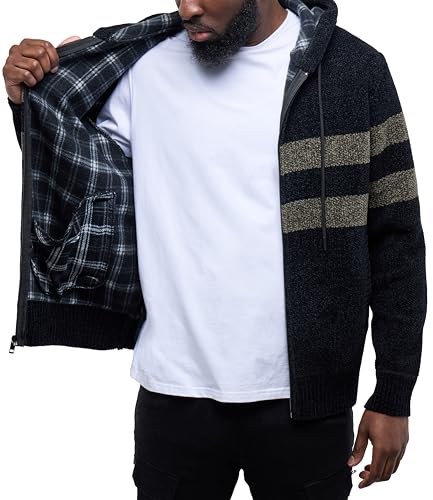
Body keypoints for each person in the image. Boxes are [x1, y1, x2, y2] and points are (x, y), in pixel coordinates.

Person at [3, 1, 427, 499]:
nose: (188, 7)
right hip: (174, 396)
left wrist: (393, 393)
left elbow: (396, 240)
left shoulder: (353, 70)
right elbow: (77, 176)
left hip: (309, 401)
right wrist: (28, 98)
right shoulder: (144, 66)